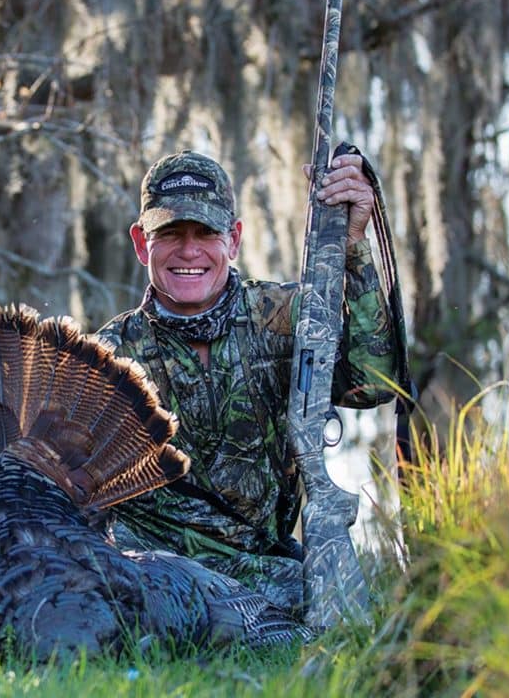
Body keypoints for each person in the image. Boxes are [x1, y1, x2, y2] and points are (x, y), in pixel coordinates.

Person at [94, 148, 400, 612]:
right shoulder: (104, 358)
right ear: (141, 243)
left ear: (233, 240)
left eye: (207, 232)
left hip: (268, 571)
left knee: (346, 613)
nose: (189, 250)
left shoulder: (286, 316)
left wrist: (354, 243)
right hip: (154, 578)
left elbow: (372, 383)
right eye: (170, 233)